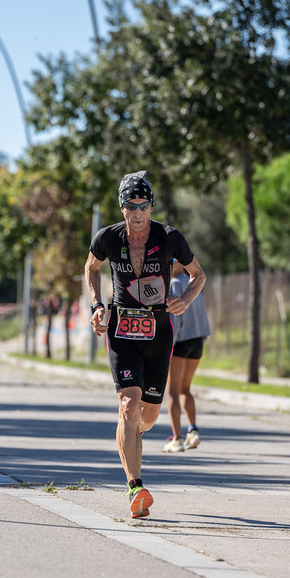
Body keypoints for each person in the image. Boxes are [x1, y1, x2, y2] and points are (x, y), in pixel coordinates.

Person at [84, 171, 206, 519]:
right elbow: (91, 268)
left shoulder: (170, 237)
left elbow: (199, 274)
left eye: (143, 206)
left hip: (159, 332)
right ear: (121, 208)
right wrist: (96, 306)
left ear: (151, 206)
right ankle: (135, 487)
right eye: (130, 206)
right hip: (122, 330)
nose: (137, 213)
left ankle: (131, 437)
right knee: (128, 405)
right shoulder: (107, 237)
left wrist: (186, 299)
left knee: (147, 418)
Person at [164, 261, 210, 452]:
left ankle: (178, 439)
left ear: (180, 265)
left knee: (173, 391)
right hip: (197, 341)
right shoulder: (194, 283)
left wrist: (166, 349)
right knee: (185, 389)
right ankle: (193, 431)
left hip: (181, 342)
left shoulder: (175, 284)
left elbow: (175, 319)